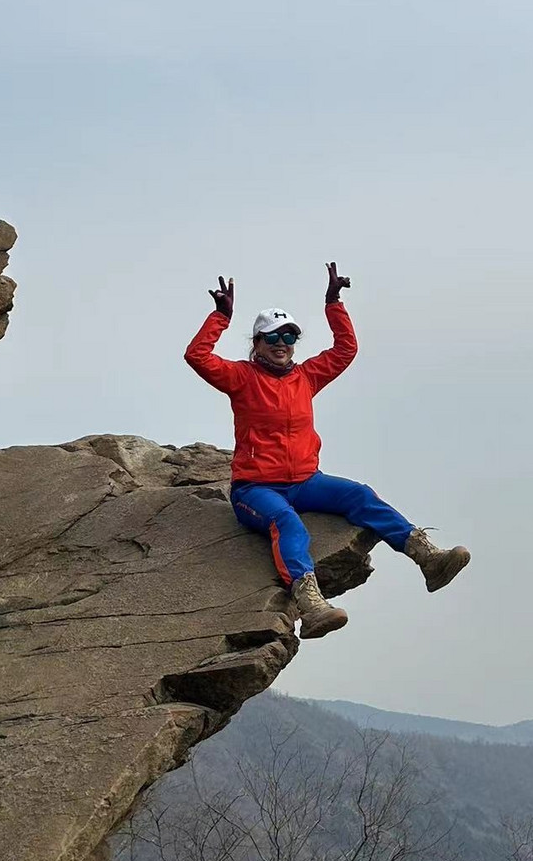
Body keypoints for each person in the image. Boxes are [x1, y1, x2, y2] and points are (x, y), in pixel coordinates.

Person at [184, 263, 470, 638]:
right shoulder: (242, 377)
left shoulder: (306, 376)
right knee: (287, 523)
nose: (283, 344)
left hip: (305, 480)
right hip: (255, 489)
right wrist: (220, 317)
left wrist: (333, 302)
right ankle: (311, 605)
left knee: (360, 495)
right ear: (256, 344)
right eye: (273, 338)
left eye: (289, 337)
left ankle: (428, 558)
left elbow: (345, 349)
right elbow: (197, 356)